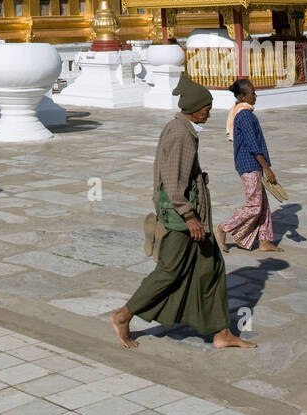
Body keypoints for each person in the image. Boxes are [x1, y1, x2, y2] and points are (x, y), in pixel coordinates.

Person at [110, 73, 255, 351]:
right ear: (194, 108)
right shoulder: (180, 135)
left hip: (191, 218)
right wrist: (190, 216)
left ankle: (222, 332)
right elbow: (174, 181)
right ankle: (122, 315)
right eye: (207, 109)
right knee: (169, 271)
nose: (208, 114)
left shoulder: (181, 130)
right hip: (183, 221)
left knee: (211, 267)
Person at [216, 79, 278, 252]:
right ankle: (224, 228)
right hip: (249, 164)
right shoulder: (244, 115)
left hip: (252, 164)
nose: (255, 96)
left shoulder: (244, 112)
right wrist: (266, 167)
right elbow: (252, 144)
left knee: (263, 204)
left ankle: (264, 240)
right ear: (243, 96)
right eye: (252, 93)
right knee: (254, 205)